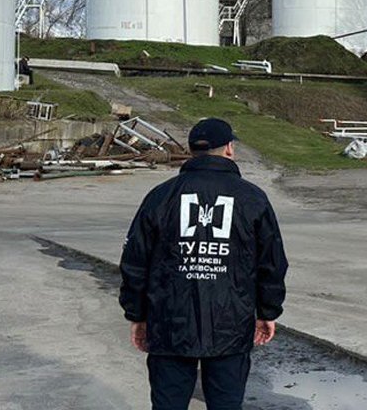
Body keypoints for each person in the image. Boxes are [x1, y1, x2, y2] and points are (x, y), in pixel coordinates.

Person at [120, 118, 288, 410]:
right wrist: (267, 311)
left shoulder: (160, 196)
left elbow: (135, 262)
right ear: (229, 148)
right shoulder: (252, 198)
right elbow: (271, 262)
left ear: (192, 151)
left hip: (170, 322)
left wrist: (137, 314)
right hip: (230, 323)